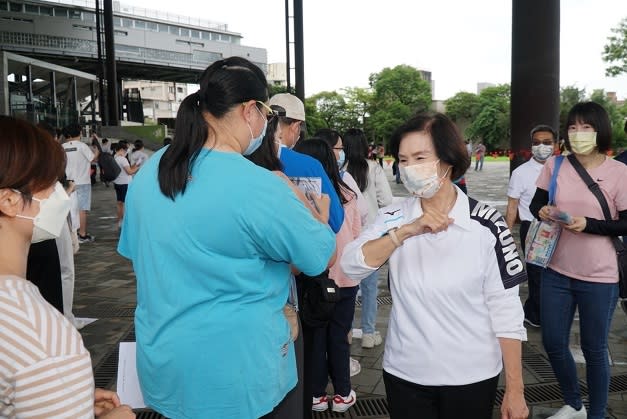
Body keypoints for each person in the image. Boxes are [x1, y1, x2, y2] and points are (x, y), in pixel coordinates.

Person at [117, 57, 336, 419]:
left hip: (166, 364)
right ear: (251, 110)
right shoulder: (259, 185)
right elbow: (321, 256)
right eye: (266, 113)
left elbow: (139, 255)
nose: (266, 124)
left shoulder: (151, 171)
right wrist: (308, 208)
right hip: (239, 374)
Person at [341, 113, 529, 419]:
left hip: (472, 374)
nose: (410, 167)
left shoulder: (487, 223)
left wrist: (516, 389)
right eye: (403, 159)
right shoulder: (394, 216)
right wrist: (406, 231)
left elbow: (506, 309)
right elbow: (351, 265)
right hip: (406, 372)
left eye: (420, 157)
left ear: (448, 159)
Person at [0, 116, 134, 419]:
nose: (62, 193)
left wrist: (63, 395)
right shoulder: (38, 332)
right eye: (51, 182)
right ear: (9, 200)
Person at [529, 102, 627, 419]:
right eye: (572, 127)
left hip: (599, 276)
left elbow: (625, 223)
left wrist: (589, 225)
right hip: (556, 269)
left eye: (586, 127)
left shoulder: (619, 173)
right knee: (553, 342)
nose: (578, 133)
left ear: (600, 130)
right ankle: (574, 404)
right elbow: (537, 204)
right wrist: (543, 211)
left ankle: (596, 413)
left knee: (594, 349)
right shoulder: (555, 165)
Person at [294, 138, 362, 414]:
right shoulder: (348, 193)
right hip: (346, 279)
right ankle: (343, 394)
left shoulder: (300, 193)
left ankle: (317, 395)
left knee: (315, 338)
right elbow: (358, 233)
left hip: (316, 280)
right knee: (339, 336)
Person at [342, 128, 393, 349]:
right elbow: (387, 200)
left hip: (346, 237)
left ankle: (348, 329)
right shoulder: (374, 168)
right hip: (371, 236)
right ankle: (369, 333)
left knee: (347, 286)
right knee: (371, 288)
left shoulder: (339, 170)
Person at [505, 124, 558, 328]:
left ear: (555, 144)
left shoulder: (563, 168)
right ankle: (536, 315)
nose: (541, 146)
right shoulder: (521, 173)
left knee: (557, 274)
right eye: (537, 143)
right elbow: (512, 208)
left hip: (562, 228)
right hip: (534, 230)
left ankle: (550, 311)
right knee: (537, 276)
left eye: (547, 142)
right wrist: (506, 237)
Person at [62, 123, 96, 243]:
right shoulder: (82, 146)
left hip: (67, 183)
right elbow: (93, 158)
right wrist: (97, 151)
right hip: (83, 182)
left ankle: (71, 234)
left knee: (69, 208)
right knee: (82, 209)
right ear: (78, 133)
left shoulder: (62, 147)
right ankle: (82, 234)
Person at [112, 142, 139, 230]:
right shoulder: (122, 159)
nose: (126, 152)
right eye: (126, 150)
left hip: (117, 183)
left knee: (119, 203)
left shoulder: (115, 157)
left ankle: (120, 221)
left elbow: (127, 169)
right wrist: (138, 167)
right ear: (122, 150)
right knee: (127, 203)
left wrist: (134, 166)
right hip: (125, 184)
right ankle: (127, 222)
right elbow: (130, 172)